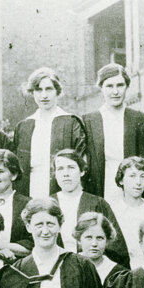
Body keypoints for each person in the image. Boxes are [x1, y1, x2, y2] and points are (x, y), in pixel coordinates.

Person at [81, 63, 144, 201]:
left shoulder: (142, 120)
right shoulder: (88, 122)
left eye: (120, 85)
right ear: (101, 88)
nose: (115, 92)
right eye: (109, 86)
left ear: (127, 86)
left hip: (136, 192)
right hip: (100, 191)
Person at [12, 67, 88, 197]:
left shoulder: (71, 123)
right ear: (32, 92)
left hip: (62, 191)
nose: (44, 95)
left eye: (49, 89)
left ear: (57, 91)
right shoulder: (24, 126)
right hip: (30, 190)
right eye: (38, 90)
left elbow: (81, 163)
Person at [51, 149, 128, 266]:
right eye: (60, 168)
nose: (66, 173)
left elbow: (116, 247)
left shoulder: (97, 203)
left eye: (71, 167)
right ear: (55, 174)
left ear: (82, 171)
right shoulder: (48, 205)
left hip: (93, 268)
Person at [107, 156, 144, 267]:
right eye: (132, 176)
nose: (138, 182)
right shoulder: (112, 211)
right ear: (121, 180)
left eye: (143, 176)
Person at [74, 212, 128, 286]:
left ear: (107, 241)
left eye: (100, 238)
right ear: (79, 240)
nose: (94, 244)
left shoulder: (118, 274)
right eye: (89, 237)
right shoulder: (69, 266)